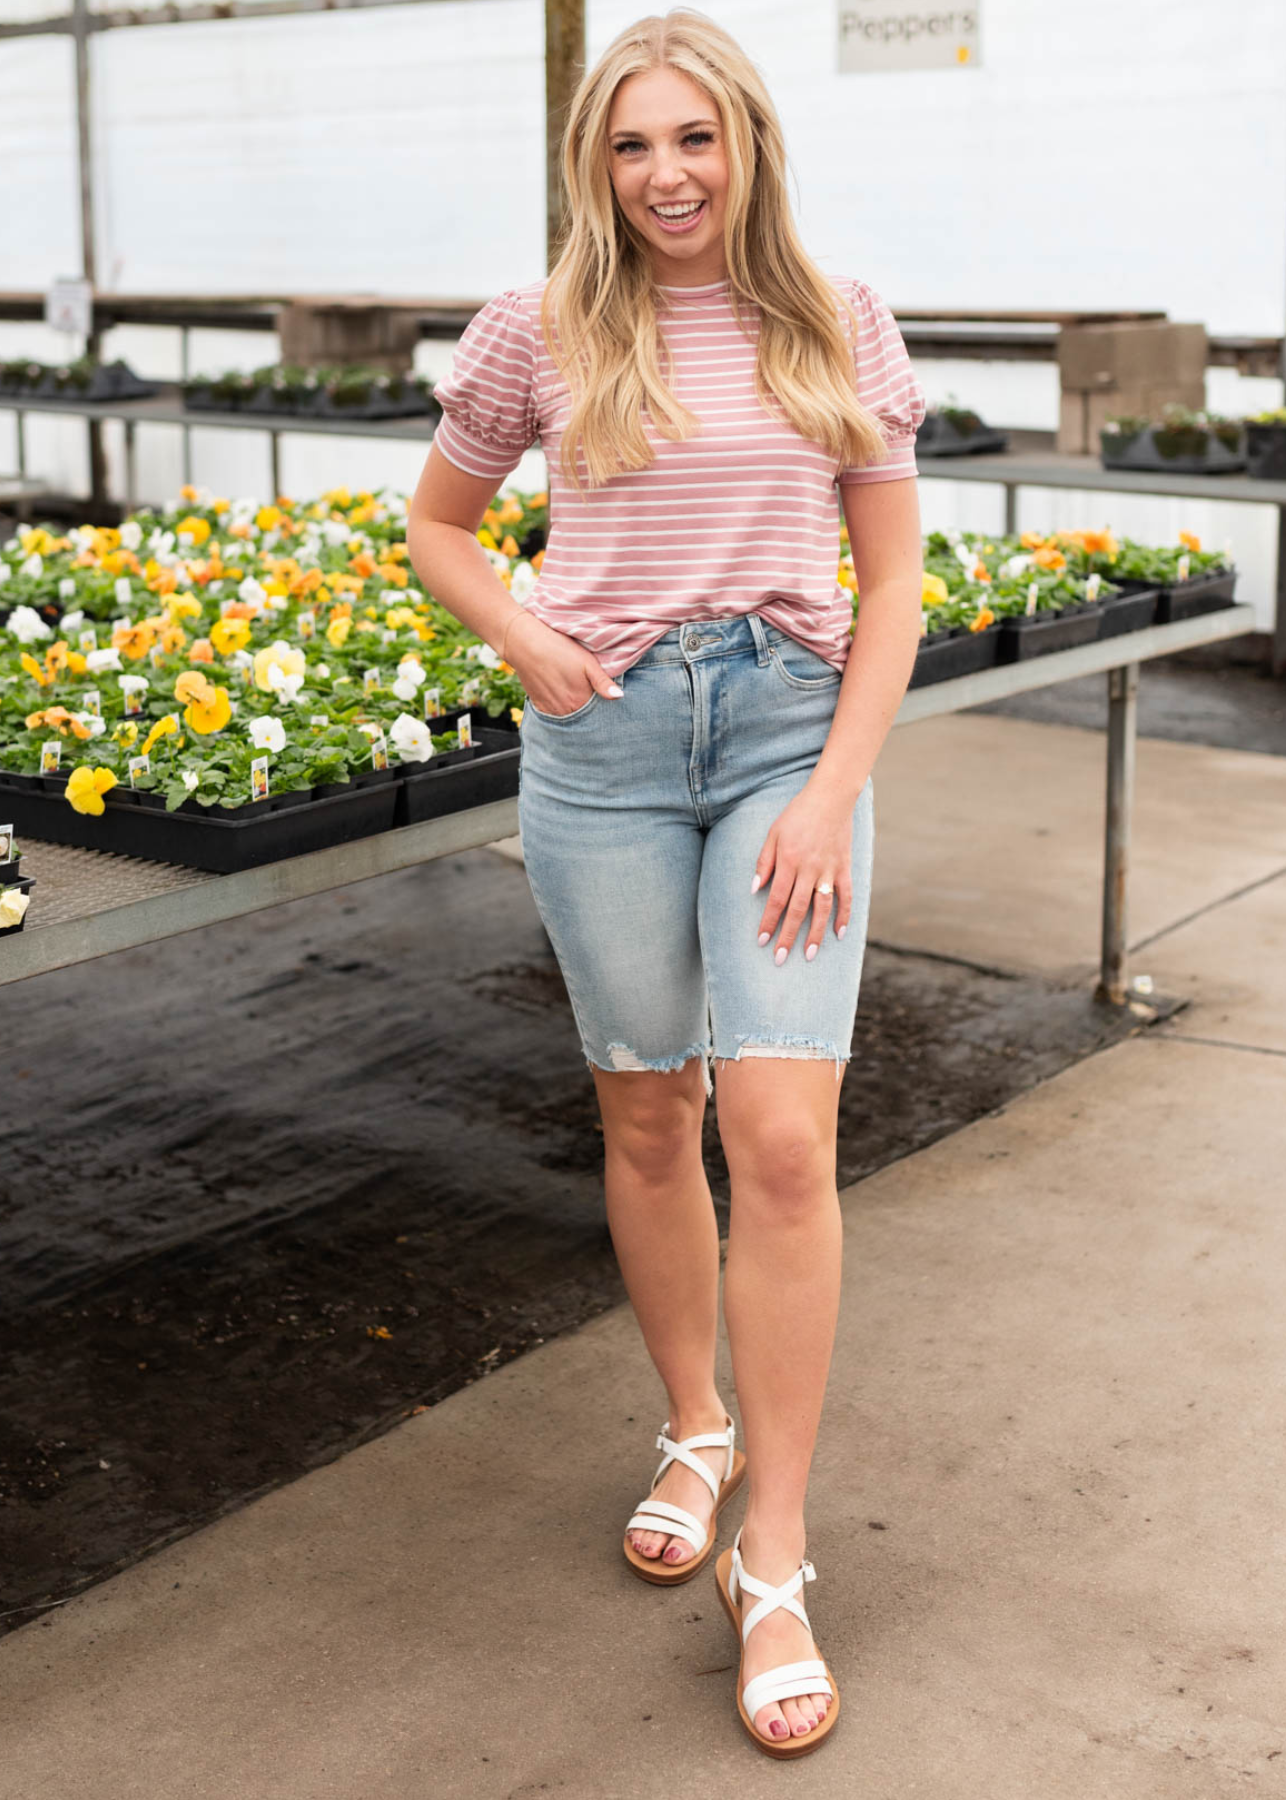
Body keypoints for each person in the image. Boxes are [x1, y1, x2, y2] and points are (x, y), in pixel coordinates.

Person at [406, 7, 925, 1760]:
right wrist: (522, 635)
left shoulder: (834, 322)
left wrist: (829, 792)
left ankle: (770, 1552)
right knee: (648, 1116)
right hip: (606, 755)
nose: (664, 174)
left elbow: (893, 589)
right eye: (630, 146)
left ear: (748, 144)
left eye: (691, 138)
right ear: (593, 166)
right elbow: (437, 525)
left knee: (778, 1137)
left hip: (787, 735)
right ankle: (691, 1425)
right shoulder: (536, 328)